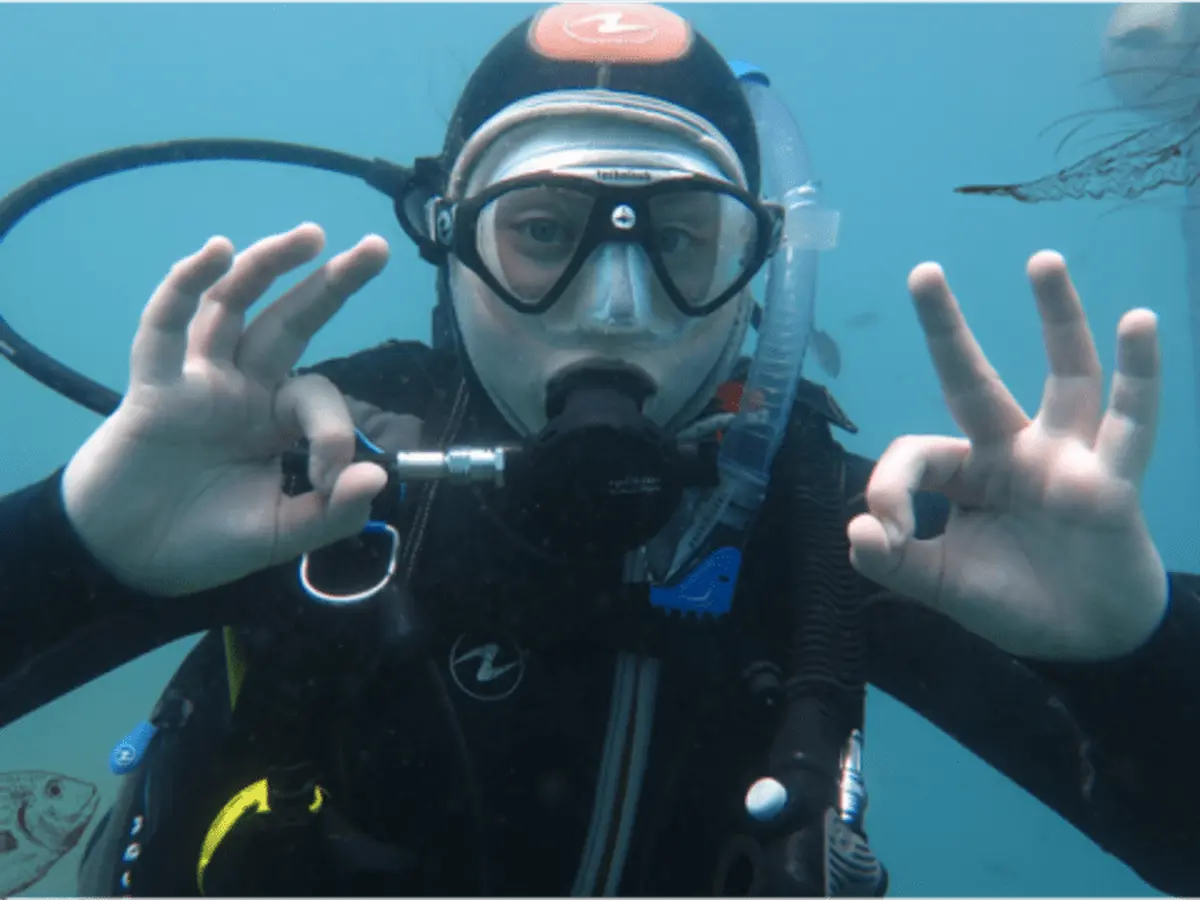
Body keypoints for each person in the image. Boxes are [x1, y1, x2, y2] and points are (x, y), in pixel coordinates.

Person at [0, 2, 1195, 897]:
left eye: (684, 237)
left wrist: (1129, 656)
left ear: (756, 275)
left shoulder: (840, 538)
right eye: (541, 231)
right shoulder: (303, 467)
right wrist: (76, 544)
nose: (616, 305)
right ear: (449, 249)